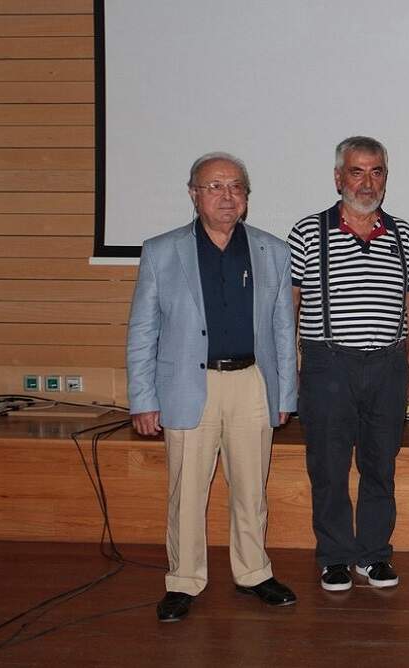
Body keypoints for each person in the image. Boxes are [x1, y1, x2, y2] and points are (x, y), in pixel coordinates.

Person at [127, 152, 298, 622]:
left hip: (252, 384)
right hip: (188, 385)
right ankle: (183, 580)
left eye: (236, 187)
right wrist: (143, 398)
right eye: (215, 186)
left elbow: (283, 328)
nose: (227, 196)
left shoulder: (272, 250)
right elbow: (143, 329)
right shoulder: (162, 251)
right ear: (193, 194)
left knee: (251, 489)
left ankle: (254, 573)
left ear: (246, 197)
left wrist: (285, 393)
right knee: (186, 493)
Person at [288, 137, 409, 591]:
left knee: (380, 464)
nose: (367, 182)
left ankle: (374, 554)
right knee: (329, 466)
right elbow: (290, 306)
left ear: (386, 177)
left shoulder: (404, 235)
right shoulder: (308, 232)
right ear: (338, 177)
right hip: (329, 364)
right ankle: (335, 556)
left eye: (376, 171)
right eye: (357, 171)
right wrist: (290, 369)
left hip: (387, 365)